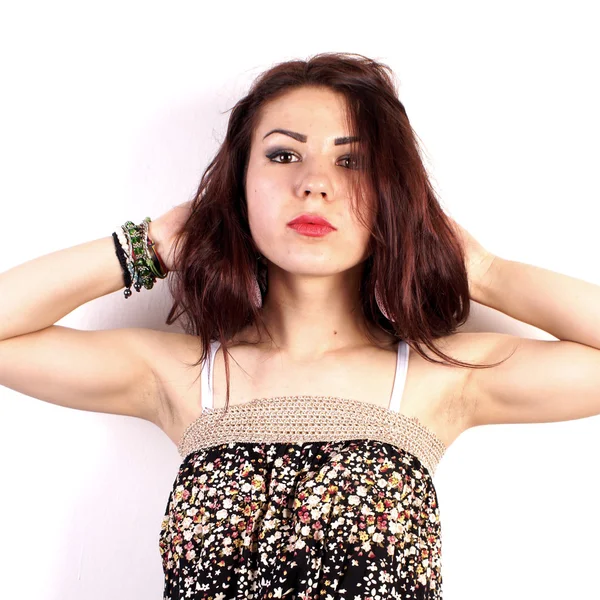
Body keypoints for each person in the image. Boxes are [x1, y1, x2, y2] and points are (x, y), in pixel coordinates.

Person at [3, 52, 600, 599]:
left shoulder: (438, 376)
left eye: (352, 161)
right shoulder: (186, 376)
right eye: (284, 154)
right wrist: (152, 244)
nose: (314, 183)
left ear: (390, 195)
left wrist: (481, 270)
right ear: (239, 186)